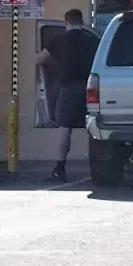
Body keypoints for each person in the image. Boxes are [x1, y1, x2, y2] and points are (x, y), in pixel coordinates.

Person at [37, 9, 100, 180]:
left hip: (68, 89)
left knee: (65, 130)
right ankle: (99, 165)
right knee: (95, 129)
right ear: (82, 22)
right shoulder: (92, 41)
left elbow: (40, 59)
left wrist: (56, 63)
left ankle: (60, 167)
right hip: (91, 88)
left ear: (66, 23)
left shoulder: (58, 40)